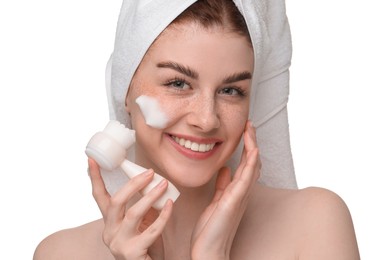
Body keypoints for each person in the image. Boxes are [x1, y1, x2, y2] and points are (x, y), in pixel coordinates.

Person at [34, 0, 360, 259]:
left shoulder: (314, 224)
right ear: (125, 91)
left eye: (231, 90)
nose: (207, 120)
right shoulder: (60, 254)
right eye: (178, 83)